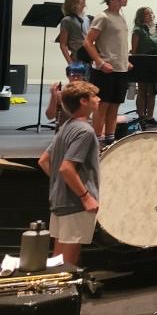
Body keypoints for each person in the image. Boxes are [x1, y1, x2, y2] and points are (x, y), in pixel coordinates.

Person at [37, 81, 101, 266]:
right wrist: (86, 197)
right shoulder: (85, 132)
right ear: (83, 101)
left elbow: (43, 160)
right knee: (68, 263)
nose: (98, 99)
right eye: (94, 97)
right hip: (75, 205)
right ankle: (63, 294)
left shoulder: (65, 127)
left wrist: (61, 184)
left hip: (60, 201)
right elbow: (66, 168)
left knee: (57, 259)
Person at [82, 0, 130, 147]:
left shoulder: (121, 17)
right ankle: (95, 139)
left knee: (115, 105)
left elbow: (116, 43)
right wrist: (100, 62)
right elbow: (88, 42)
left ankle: (110, 138)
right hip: (105, 71)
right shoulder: (103, 17)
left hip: (120, 69)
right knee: (102, 106)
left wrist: (125, 60)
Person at [130, 6, 157, 126]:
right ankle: (141, 117)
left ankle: (150, 117)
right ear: (141, 17)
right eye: (147, 14)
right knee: (142, 90)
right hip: (142, 62)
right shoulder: (138, 30)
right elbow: (134, 50)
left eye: (151, 13)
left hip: (156, 61)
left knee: (153, 91)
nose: (150, 15)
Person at [46, 62, 88, 129]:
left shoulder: (90, 91)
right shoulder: (61, 91)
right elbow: (50, 116)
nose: (76, 78)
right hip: (66, 128)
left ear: (83, 76)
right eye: (73, 75)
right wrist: (53, 97)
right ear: (68, 76)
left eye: (79, 75)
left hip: (86, 127)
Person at [57, 0, 90, 66]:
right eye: (79, 1)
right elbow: (63, 44)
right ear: (72, 4)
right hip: (77, 58)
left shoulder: (87, 19)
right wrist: (70, 63)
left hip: (89, 57)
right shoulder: (67, 20)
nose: (83, 0)